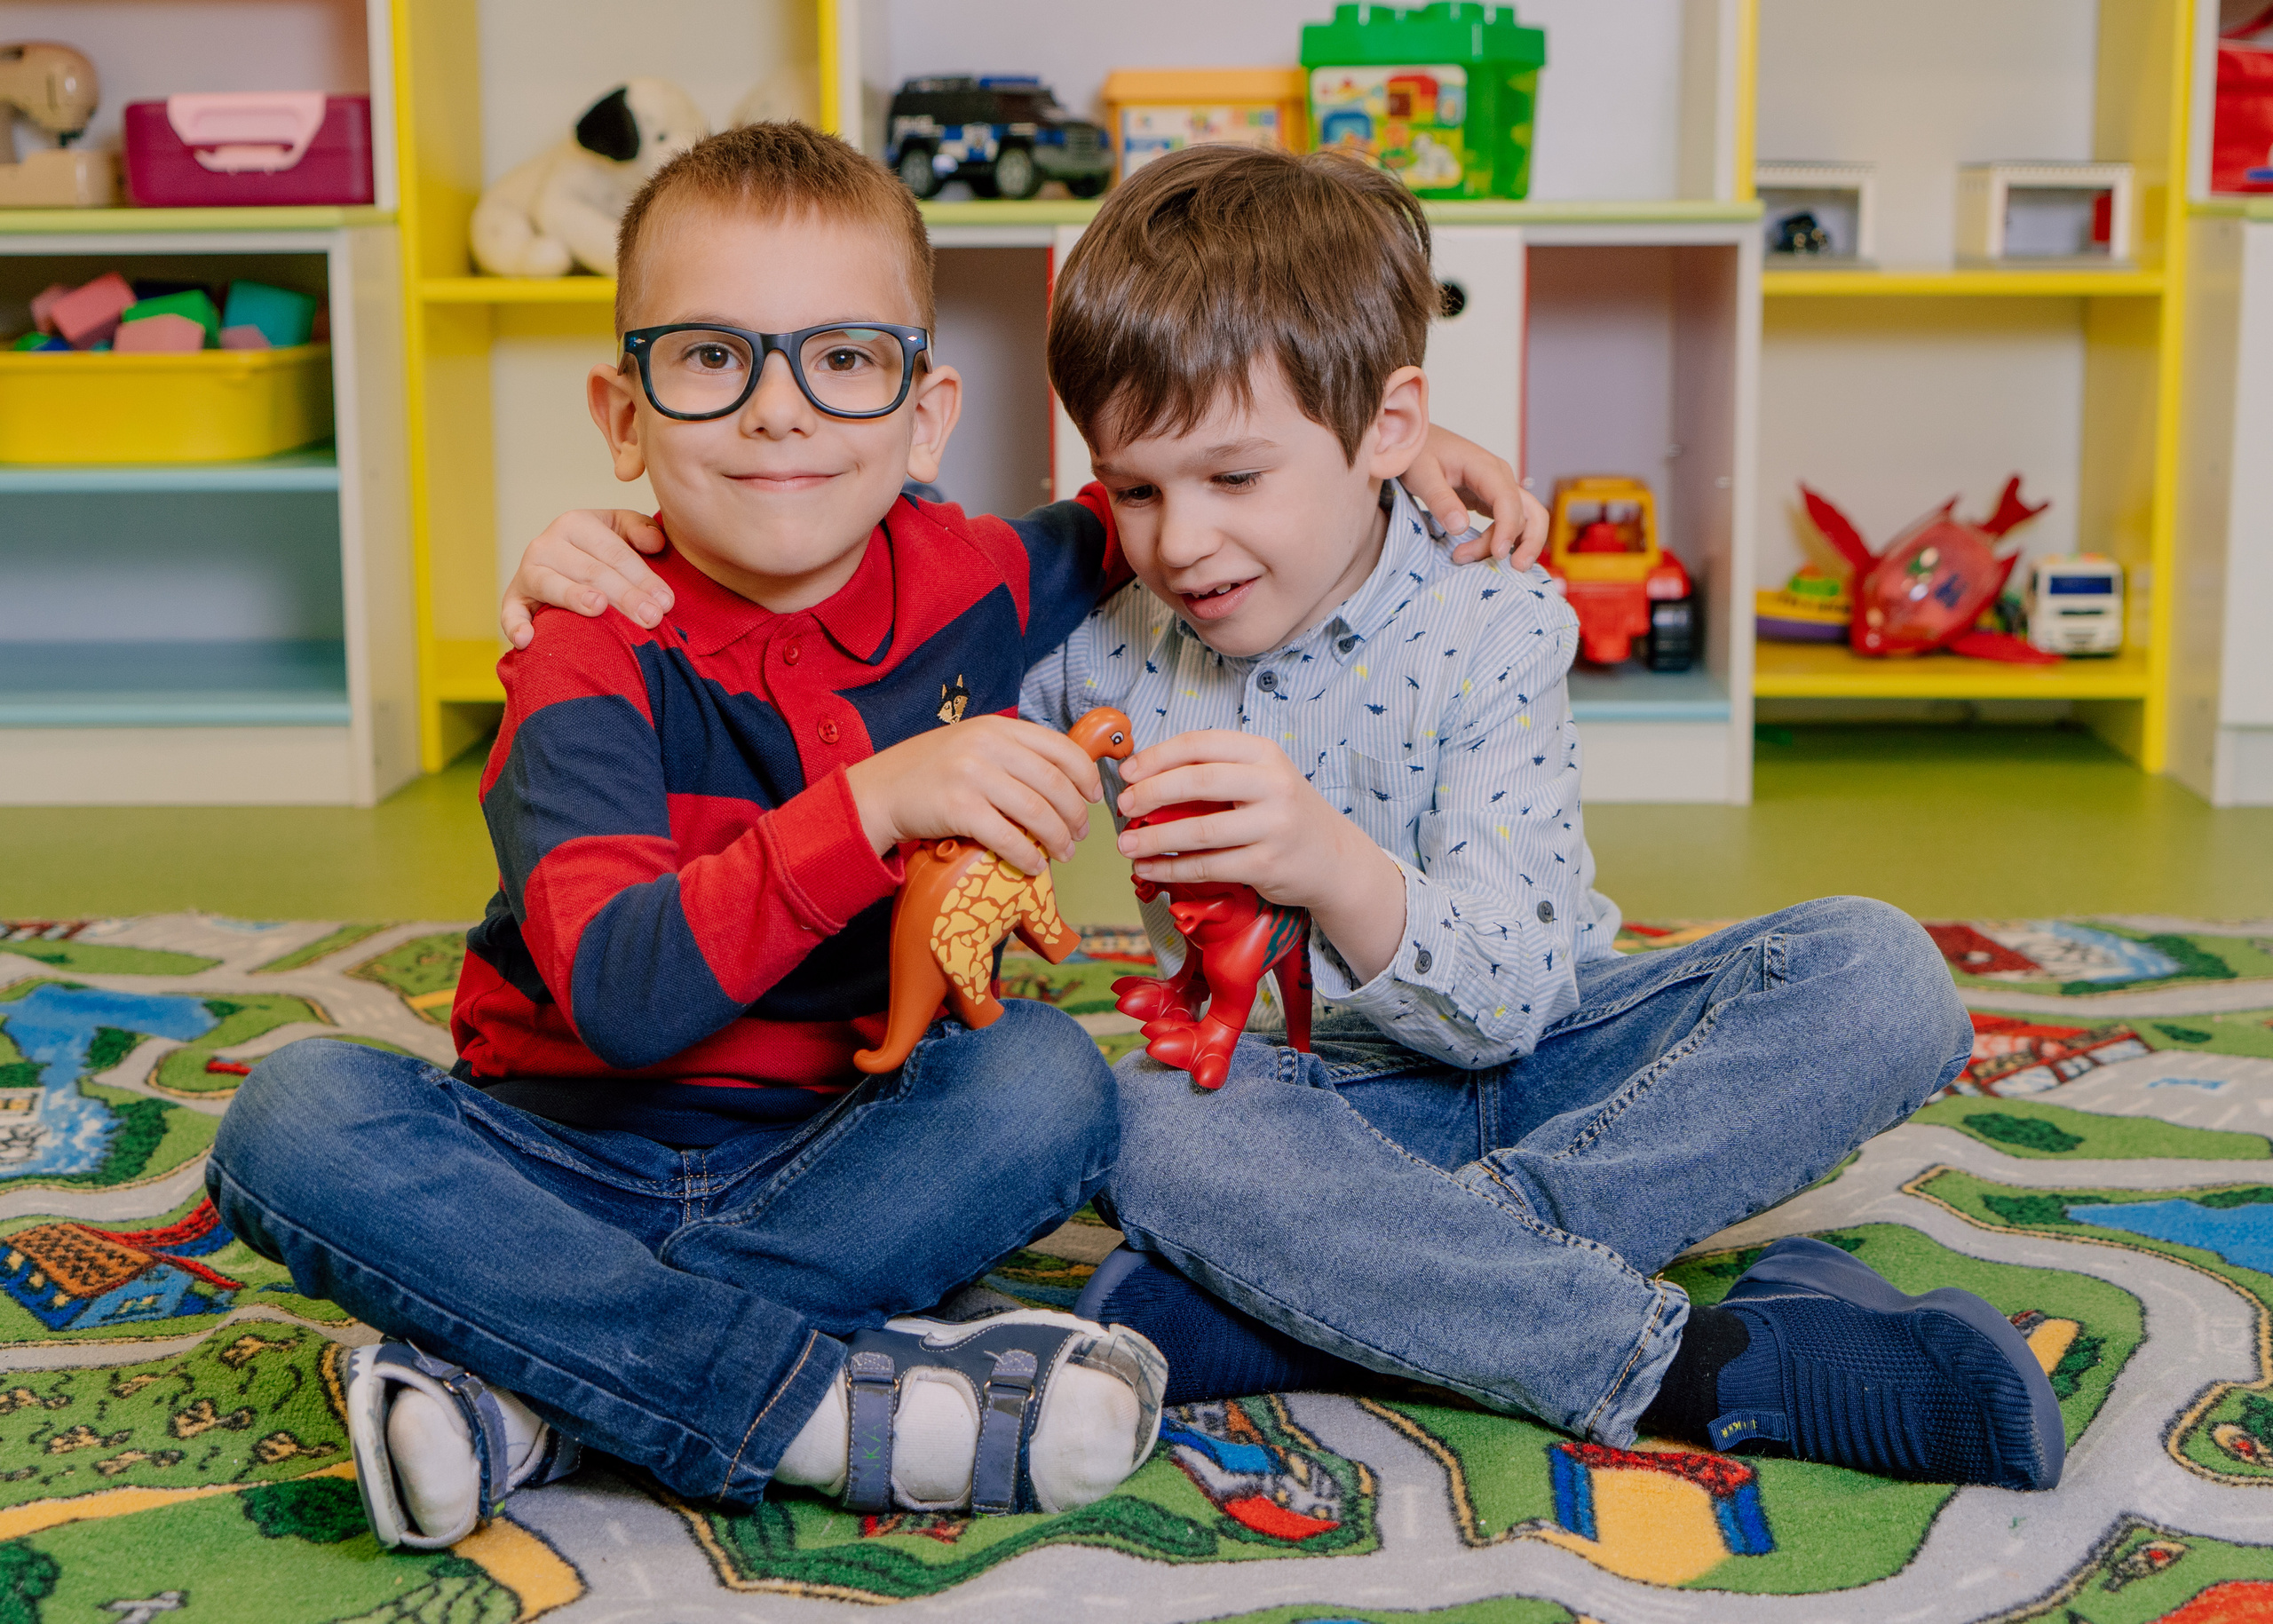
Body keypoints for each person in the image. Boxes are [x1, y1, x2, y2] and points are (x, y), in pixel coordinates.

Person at [213, 123, 1548, 1552]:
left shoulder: (976, 578)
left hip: (841, 1156)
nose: (779, 410)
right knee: (294, 1114)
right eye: (710, 358)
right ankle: (803, 1402)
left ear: (926, 414)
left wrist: (1403, 453)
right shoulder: (587, 648)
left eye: (843, 359)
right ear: (623, 415)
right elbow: (619, 989)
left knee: (1049, 1079)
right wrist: (879, 802)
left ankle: (533, 1383)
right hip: (555, 1156)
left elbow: (1210, 461)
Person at [1010, 145, 2059, 1492]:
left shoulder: (1490, 622)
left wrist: (1329, 863)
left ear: (1391, 430)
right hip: (1308, 1110)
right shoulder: (1107, 638)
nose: (1180, 542)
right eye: (1135, 487)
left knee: (1882, 976)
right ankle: (1705, 1369)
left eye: (1234, 479)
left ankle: (1352, 1295)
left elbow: (1509, 1000)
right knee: (1145, 1117)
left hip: (1556, 1061)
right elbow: (908, 595)